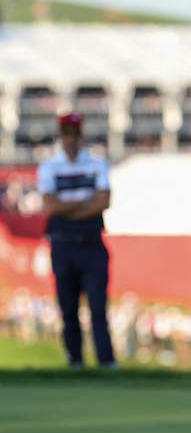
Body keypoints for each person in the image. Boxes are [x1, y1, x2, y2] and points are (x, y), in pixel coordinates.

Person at [37, 112, 116, 369]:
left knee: (98, 307)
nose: (71, 139)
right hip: (63, 245)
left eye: (75, 134)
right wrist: (85, 203)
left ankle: (106, 361)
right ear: (61, 136)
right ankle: (75, 361)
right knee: (68, 308)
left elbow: (103, 201)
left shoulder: (97, 164)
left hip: (91, 244)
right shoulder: (49, 167)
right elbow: (50, 206)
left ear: (80, 136)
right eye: (66, 134)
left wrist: (67, 207)